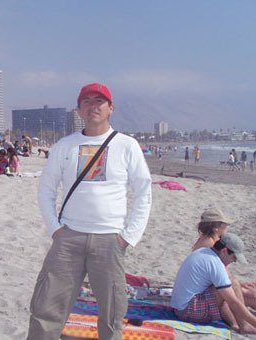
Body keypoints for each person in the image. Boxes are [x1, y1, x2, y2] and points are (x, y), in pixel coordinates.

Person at [27, 83, 152, 340]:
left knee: (112, 313)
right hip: (68, 237)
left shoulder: (127, 145)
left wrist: (127, 237)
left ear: (110, 108)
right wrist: (56, 230)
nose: (93, 106)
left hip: (110, 240)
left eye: (99, 101)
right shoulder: (65, 145)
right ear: (79, 109)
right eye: (87, 101)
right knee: (46, 308)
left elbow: (144, 193)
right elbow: (46, 190)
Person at [171, 233, 256, 333]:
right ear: (224, 251)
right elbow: (233, 302)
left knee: (229, 286)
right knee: (232, 285)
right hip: (187, 311)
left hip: (180, 307)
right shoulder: (215, 263)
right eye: (234, 258)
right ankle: (244, 326)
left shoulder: (204, 252)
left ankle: (235, 324)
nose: (234, 261)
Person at [191, 208, 256, 310]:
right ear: (216, 227)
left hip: (213, 287)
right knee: (252, 296)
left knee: (249, 291)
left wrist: (241, 285)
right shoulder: (209, 246)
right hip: (208, 292)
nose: (227, 226)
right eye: (224, 224)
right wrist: (242, 288)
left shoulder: (210, 240)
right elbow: (218, 279)